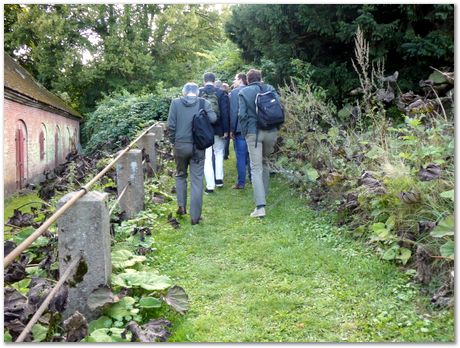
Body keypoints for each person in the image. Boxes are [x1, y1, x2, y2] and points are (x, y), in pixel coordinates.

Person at [167, 82, 217, 225]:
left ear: (184, 92)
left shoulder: (175, 103)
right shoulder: (204, 103)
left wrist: (174, 141)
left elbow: (171, 125)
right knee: (197, 180)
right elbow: (213, 119)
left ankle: (181, 206)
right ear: (197, 92)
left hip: (180, 146)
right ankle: (195, 217)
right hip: (198, 147)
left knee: (180, 174)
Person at [238, 69, 280, 218]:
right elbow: (279, 108)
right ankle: (264, 194)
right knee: (265, 163)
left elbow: (242, 115)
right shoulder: (270, 88)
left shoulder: (244, 92)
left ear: (248, 80)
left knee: (255, 168)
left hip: (253, 133)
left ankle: (260, 207)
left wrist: (245, 132)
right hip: (271, 131)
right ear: (261, 78)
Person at [199, 72, 230, 192]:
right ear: (214, 80)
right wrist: (226, 130)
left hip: (204, 129)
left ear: (204, 80)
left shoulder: (200, 93)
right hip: (218, 128)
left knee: (207, 157)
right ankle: (219, 179)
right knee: (219, 153)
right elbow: (225, 113)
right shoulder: (221, 92)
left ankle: (210, 186)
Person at [229, 72, 251, 189]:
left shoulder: (234, 92)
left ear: (241, 80)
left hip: (239, 128)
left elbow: (233, 112)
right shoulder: (253, 90)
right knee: (252, 155)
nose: (234, 81)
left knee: (241, 156)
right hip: (253, 128)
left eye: (235, 79)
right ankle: (253, 179)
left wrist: (231, 129)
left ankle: (241, 182)